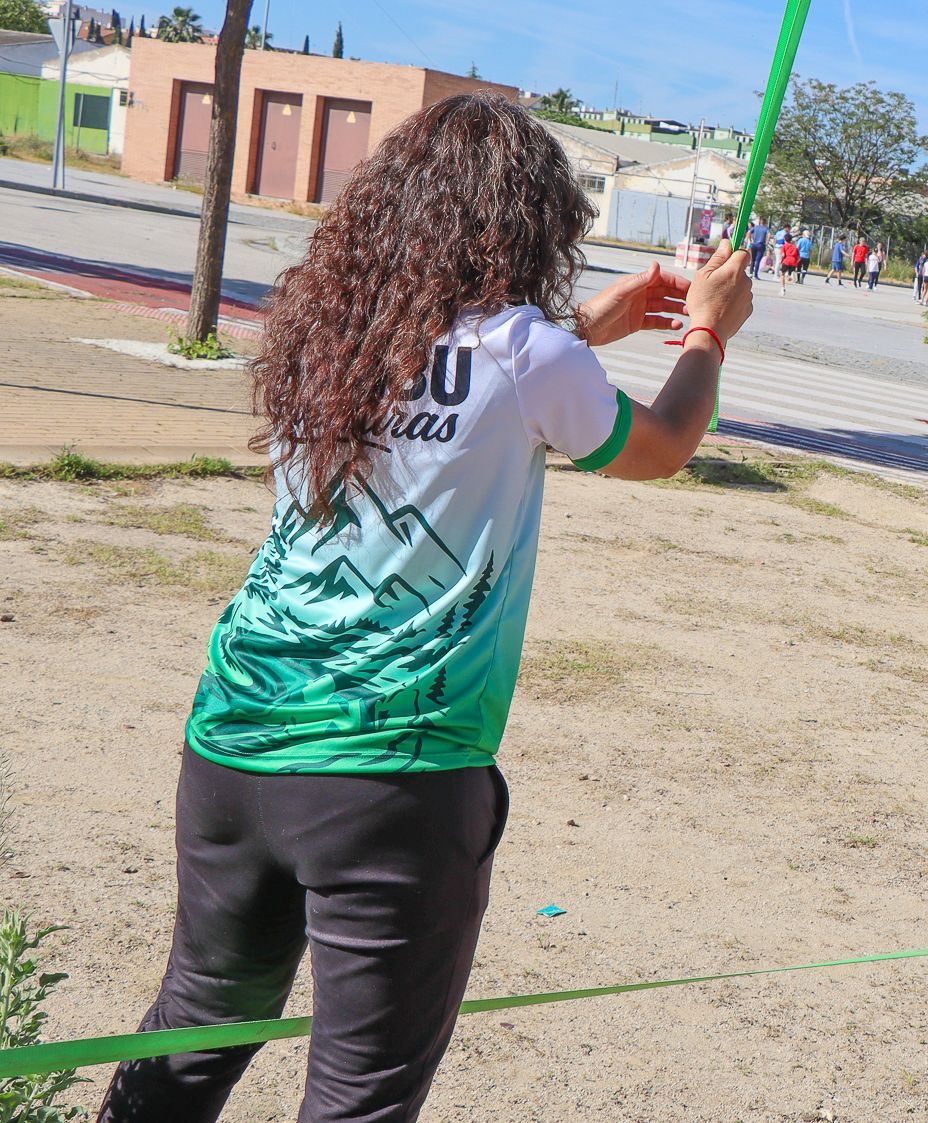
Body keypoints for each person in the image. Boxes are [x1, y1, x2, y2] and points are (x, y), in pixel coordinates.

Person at [94, 93, 754, 1123]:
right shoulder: (529, 354)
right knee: (359, 1094)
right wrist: (707, 333)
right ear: (529, 222)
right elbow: (659, 444)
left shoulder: (328, 333)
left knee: (194, 1029)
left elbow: (454, 391)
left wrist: (596, 328)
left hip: (234, 735)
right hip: (391, 776)